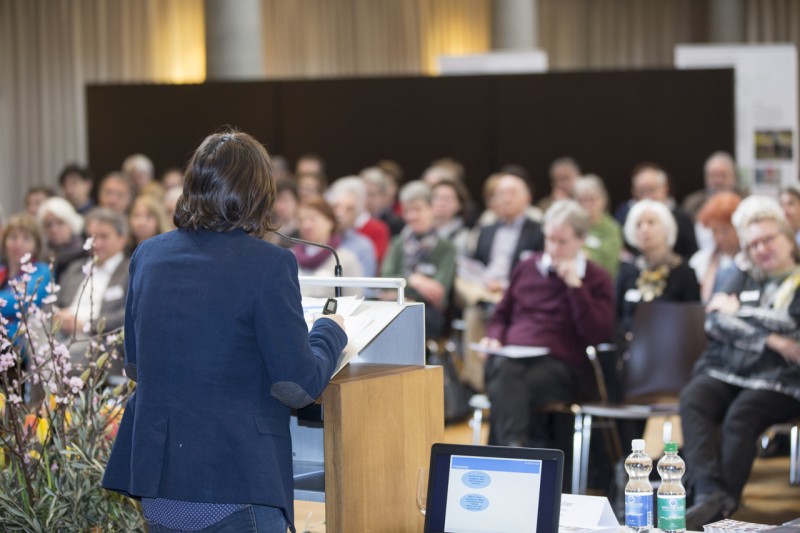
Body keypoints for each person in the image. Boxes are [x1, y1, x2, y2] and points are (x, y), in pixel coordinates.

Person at [102, 131, 347, 533]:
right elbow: (297, 387)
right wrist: (329, 331)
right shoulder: (269, 265)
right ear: (258, 194)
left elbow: (134, 364)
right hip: (235, 483)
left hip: (160, 486)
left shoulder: (148, 255)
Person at [681, 197, 800, 528]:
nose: (760, 249)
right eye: (752, 245)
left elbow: (792, 321)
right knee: (695, 396)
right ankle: (708, 492)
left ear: (788, 236)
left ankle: (720, 509)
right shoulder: (745, 275)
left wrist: (739, 314)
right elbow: (714, 321)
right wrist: (769, 339)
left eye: (767, 239)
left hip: (782, 378)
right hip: (730, 369)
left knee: (742, 413)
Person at [481, 199, 614, 447]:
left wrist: (577, 288)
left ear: (581, 240)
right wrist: (495, 336)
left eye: (562, 242)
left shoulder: (595, 278)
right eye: (549, 240)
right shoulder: (527, 267)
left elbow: (597, 333)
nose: (553, 249)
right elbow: (501, 314)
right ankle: (515, 448)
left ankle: (509, 452)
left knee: (506, 383)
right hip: (512, 360)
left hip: (560, 367)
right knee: (504, 370)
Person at [381, 181, 456, 340]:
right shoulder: (398, 243)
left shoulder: (446, 248)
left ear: (431, 208)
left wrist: (400, 285)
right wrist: (415, 280)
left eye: (418, 209)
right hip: (395, 306)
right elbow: (385, 281)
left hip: (428, 312)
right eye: (408, 211)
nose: (412, 216)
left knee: (402, 321)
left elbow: (438, 292)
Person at [617, 199, 700, 335]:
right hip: (632, 349)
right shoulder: (628, 271)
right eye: (638, 225)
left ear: (666, 229)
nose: (644, 229)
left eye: (651, 223)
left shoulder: (684, 272)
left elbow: (693, 322)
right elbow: (617, 318)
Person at [54, 208, 130, 339]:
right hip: (60, 331)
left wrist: (87, 324)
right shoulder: (76, 268)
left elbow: (130, 314)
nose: (96, 243)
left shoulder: (131, 270)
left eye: (104, 237)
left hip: (98, 337)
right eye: (92, 237)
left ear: (121, 239)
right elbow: (52, 301)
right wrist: (58, 316)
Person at [292, 196, 363, 297]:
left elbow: (354, 299)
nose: (306, 225)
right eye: (301, 220)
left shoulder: (345, 259)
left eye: (313, 219)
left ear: (330, 222)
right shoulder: (290, 256)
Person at [0, 214, 51, 342]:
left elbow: (22, 302)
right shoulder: (2, 270)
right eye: (13, 237)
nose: (18, 244)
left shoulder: (41, 271)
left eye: (26, 239)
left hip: (18, 342)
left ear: (36, 245)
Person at [688, 191, 742, 302]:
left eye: (725, 231)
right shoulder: (700, 261)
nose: (720, 237)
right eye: (714, 231)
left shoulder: (751, 261)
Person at [326, 176, 379, 277]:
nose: (339, 214)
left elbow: (364, 287)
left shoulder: (364, 247)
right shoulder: (317, 241)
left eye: (349, 209)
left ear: (357, 215)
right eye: (336, 206)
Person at [573, 175, 623, 279]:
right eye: (581, 200)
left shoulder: (612, 229)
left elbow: (609, 266)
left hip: (599, 282)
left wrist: (585, 258)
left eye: (591, 199)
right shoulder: (572, 225)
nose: (586, 205)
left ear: (603, 200)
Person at [36, 196, 87, 280]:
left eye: (60, 223)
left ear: (71, 223)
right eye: (48, 225)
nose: (54, 230)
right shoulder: (41, 257)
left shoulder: (85, 254)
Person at [682, 151, 740, 219]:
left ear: (734, 177)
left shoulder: (744, 203)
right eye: (713, 175)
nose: (718, 181)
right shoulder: (692, 205)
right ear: (706, 178)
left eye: (723, 175)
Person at [431, 178, 471, 256]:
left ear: (460, 205)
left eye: (447, 199)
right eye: (436, 197)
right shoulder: (415, 229)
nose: (441, 203)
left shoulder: (465, 236)